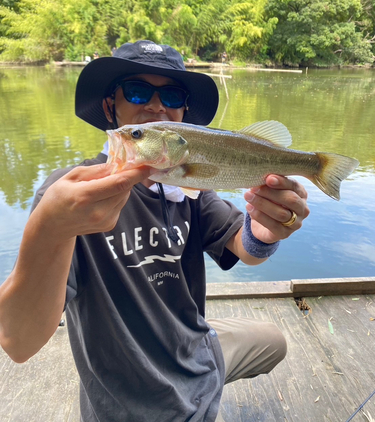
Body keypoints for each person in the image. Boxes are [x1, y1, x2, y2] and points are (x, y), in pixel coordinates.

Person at [0, 40, 309, 422]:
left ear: (181, 115)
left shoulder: (188, 190)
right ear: (111, 106)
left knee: (273, 341)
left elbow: (242, 245)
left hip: (189, 351)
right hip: (126, 398)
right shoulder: (69, 197)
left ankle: (197, 363)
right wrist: (49, 230)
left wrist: (265, 231)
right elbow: (19, 341)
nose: (156, 105)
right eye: (137, 90)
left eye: (172, 94)